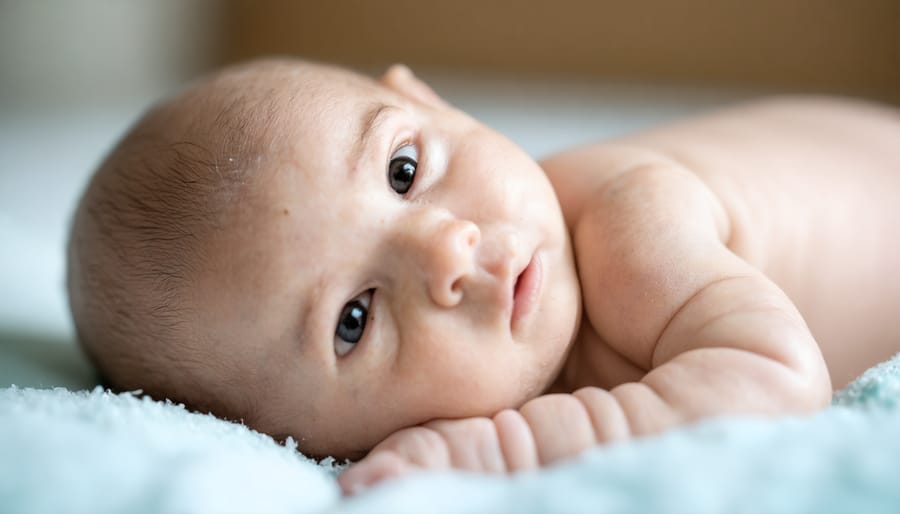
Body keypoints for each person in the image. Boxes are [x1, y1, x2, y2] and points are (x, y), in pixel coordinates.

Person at [66, 58, 900, 495]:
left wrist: (508, 446)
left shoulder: (629, 223)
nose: (446, 253)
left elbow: (778, 383)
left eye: (401, 170)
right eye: (353, 319)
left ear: (431, 100)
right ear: (313, 440)